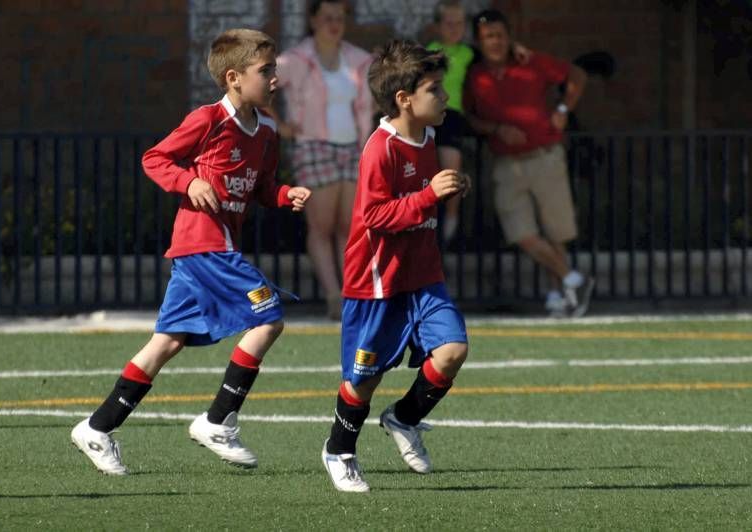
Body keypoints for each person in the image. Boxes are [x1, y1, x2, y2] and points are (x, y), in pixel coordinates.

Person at [70, 28, 312, 475]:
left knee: (166, 342)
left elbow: (260, 188)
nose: (275, 78)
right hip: (204, 245)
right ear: (234, 77)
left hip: (209, 250)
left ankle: (97, 427)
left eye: (275, 69)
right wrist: (190, 181)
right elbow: (155, 159)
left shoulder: (268, 132)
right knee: (269, 317)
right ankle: (218, 419)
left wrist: (283, 195)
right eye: (266, 71)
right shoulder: (207, 119)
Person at [321, 39, 470, 493]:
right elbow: (375, 216)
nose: (444, 97)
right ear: (404, 99)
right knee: (363, 380)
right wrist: (428, 197)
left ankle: (403, 418)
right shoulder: (380, 148)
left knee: (452, 351)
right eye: (435, 90)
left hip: (423, 277)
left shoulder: (429, 137)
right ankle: (339, 451)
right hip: (378, 283)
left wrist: (448, 189)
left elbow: (421, 200)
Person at [463, 9, 595, 317]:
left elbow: (576, 75)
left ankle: (560, 297)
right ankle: (574, 280)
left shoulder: (531, 61)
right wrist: (496, 129)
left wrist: (563, 108)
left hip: (544, 156)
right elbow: (470, 118)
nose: (494, 42)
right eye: (487, 38)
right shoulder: (475, 76)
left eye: (499, 35)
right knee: (521, 233)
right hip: (506, 164)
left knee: (555, 233)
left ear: (509, 37)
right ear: (479, 42)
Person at [272, 0, 374, 320]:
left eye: (339, 18)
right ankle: (334, 295)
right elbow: (259, 83)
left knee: (349, 226)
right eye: (327, 17)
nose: (334, 23)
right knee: (321, 224)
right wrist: (279, 125)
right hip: (313, 146)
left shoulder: (359, 59)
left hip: (352, 147)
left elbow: (370, 102)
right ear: (313, 20)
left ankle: (352, 295)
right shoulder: (295, 59)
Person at [426, 0, 531, 246]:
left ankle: (450, 219)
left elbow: (497, 50)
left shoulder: (469, 53)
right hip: (428, 115)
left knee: (451, 167)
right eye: (448, 23)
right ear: (437, 26)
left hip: (452, 116)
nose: (454, 28)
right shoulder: (428, 51)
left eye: (459, 24)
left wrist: (515, 47)